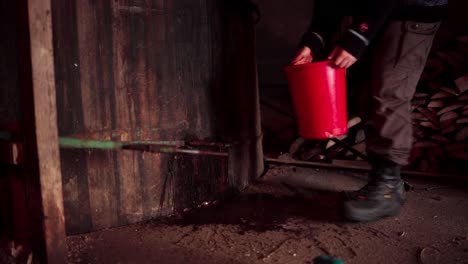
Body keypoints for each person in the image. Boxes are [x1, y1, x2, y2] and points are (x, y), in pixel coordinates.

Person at [292, 0, 449, 222]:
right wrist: (313, 41)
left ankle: (387, 187)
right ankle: (385, 180)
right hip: (367, 9)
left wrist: (358, 37)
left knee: (389, 94)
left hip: (411, 11)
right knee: (365, 92)